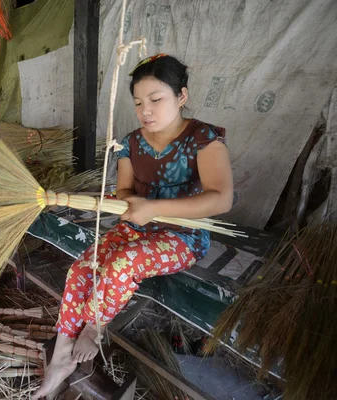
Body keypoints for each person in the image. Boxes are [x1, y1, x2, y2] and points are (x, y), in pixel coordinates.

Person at [33, 54, 234, 398]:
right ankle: (62, 355)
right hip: (137, 227)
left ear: (181, 96)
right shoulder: (130, 143)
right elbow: (125, 191)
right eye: (139, 102)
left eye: (157, 100)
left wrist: (154, 207)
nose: (146, 111)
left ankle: (94, 328)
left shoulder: (202, 137)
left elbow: (222, 199)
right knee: (82, 268)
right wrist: (126, 202)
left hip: (182, 235)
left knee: (125, 261)